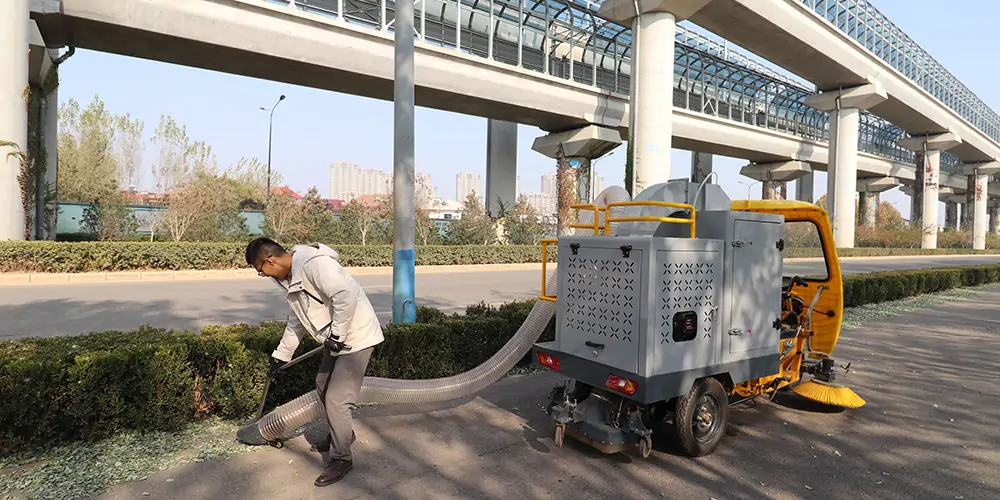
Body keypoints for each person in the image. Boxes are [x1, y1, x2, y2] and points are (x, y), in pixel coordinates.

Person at [244, 237, 384, 487]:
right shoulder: (290, 277)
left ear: (269, 261)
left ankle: (342, 459)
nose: (263, 276)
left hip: (357, 337)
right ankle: (342, 434)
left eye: (260, 271)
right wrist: (282, 354)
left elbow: (346, 296)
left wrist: (338, 336)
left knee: (337, 400)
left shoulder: (314, 265)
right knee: (322, 384)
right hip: (338, 339)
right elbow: (298, 320)